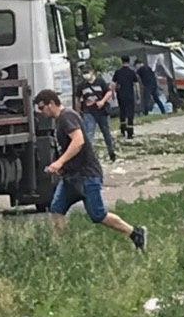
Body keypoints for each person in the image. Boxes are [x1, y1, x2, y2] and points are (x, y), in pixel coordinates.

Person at [35, 89, 147, 252]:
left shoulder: (67, 117)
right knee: (57, 209)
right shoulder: (59, 121)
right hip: (71, 177)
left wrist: (59, 162)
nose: (41, 112)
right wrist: (62, 168)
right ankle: (60, 249)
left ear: (51, 103)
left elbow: (78, 141)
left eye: (42, 107)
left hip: (86, 175)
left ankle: (135, 233)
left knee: (98, 215)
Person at [75, 67, 116, 161]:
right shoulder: (81, 85)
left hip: (102, 111)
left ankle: (111, 152)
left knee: (106, 132)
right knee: (89, 133)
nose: (85, 75)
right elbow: (78, 99)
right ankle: (90, 156)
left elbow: (109, 92)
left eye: (87, 72)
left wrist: (102, 101)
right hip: (88, 112)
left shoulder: (100, 81)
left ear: (92, 72)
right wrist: (78, 112)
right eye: (84, 73)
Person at [111, 56, 138, 139]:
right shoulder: (132, 72)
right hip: (130, 95)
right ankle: (130, 132)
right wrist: (138, 95)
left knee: (122, 111)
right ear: (129, 62)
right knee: (130, 113)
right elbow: (136, 85)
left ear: (121, 61)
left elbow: (113, 84)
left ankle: (123, 130)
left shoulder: (118, 72)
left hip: (120, 95)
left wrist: (113, 94)